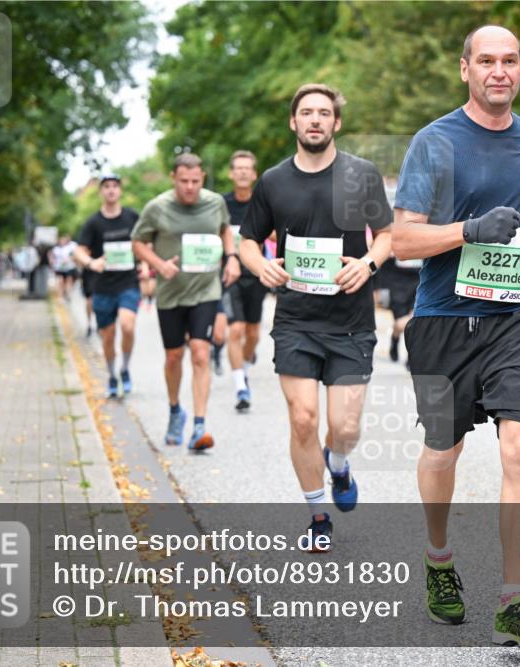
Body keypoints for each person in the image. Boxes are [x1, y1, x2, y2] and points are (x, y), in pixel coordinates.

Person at [392, 26, 520, 648]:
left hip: (516, 319)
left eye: (509, 60)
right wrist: (468, 230)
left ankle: (512, 601)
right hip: (442, 320)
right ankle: (438, 559)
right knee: (443, 451)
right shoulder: (434, 142)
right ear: (464, 68)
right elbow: (403, 239)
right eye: (486, 60)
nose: (499, 71)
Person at [239, 83, 392, 550]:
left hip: (351, 321)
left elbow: (388, 235)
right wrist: (260, 265)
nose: (315, 120)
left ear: (336, 123)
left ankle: (338, 464)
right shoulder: (273, 181)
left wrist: (367, 264)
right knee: (303, 418)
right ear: (293, 122)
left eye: (324, 113)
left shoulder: (362, 175)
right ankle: (318, 516)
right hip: (296, 320)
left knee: (344, 428)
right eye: (306, 112)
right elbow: (247, 241)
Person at [133, 153, 240, 450]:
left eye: (195, 181)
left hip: (206, 290)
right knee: (173, 357)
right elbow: (138, 242)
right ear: (173, 178)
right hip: (171, 293)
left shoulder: (215, 203)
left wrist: (231, 257)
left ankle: (199, 426)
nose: (190, 187)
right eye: (183, 181)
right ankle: (174, 410)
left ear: (202, 178)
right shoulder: (157, 207)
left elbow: (225, 230)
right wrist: (159, 265)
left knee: (201, 354)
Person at [74, 174, 142, 398]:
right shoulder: (93, 223)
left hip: (128, 282)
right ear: (101, 192)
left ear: (120, 190)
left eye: (115, 186)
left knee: (128, 326)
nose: (111, 190)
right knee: (108, 336)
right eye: (107, 187)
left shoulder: (132, 217)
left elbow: (146, 241)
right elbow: (79, 251)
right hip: (102, 287)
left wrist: (145, 263)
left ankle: (125, 368)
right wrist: (91, 262)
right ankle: (112, 374)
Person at [222, 149, 268, 412]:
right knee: (236, 329)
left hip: (256, 273)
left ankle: (245, 368)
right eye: (237, 168)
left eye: (246, 168)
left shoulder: (262, 203)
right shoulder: (221, 205)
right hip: (230, 275)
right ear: (231, 173)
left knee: (252, 333)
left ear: (254, 174)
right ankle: (240, 387)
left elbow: (277, 232)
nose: (242, 172)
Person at [49, 235, 79, 299]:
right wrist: (52, 262)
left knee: (69, 281)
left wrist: (70, 258)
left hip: (69, 267)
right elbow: (52, 256)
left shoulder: (70, 247)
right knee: (60, 281)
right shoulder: (56, 249)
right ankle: (60, 297)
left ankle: (67, 293)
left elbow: (74, 254)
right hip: (59, 267)